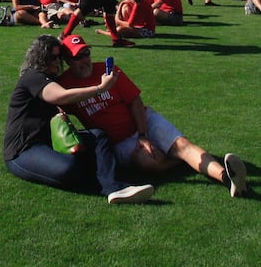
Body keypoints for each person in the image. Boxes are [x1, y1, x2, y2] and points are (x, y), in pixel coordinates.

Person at [56, 34, 249, 196]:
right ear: (67, 61)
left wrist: (142, 135)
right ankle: (181, 161)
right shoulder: (64, 86)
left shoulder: (108, 72)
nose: (84, 60)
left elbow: (136, 102)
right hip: (118, 142)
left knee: (183, 145)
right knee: (149, 163)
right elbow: (56, 109)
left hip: (142, 121)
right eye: (77, 57)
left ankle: (227, 178)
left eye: (86, 53)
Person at [1, 34, 154, 204]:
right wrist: (100, 88)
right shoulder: (33, 77)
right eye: (52, 57)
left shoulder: (54, 79)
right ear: (40, 58)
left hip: (49, 142)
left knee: (98, 135)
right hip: (23, 149)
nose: (56, 62)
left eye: (59, 57)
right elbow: (60, 97)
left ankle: (115, 188)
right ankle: (98, 176)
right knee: (69, 168)